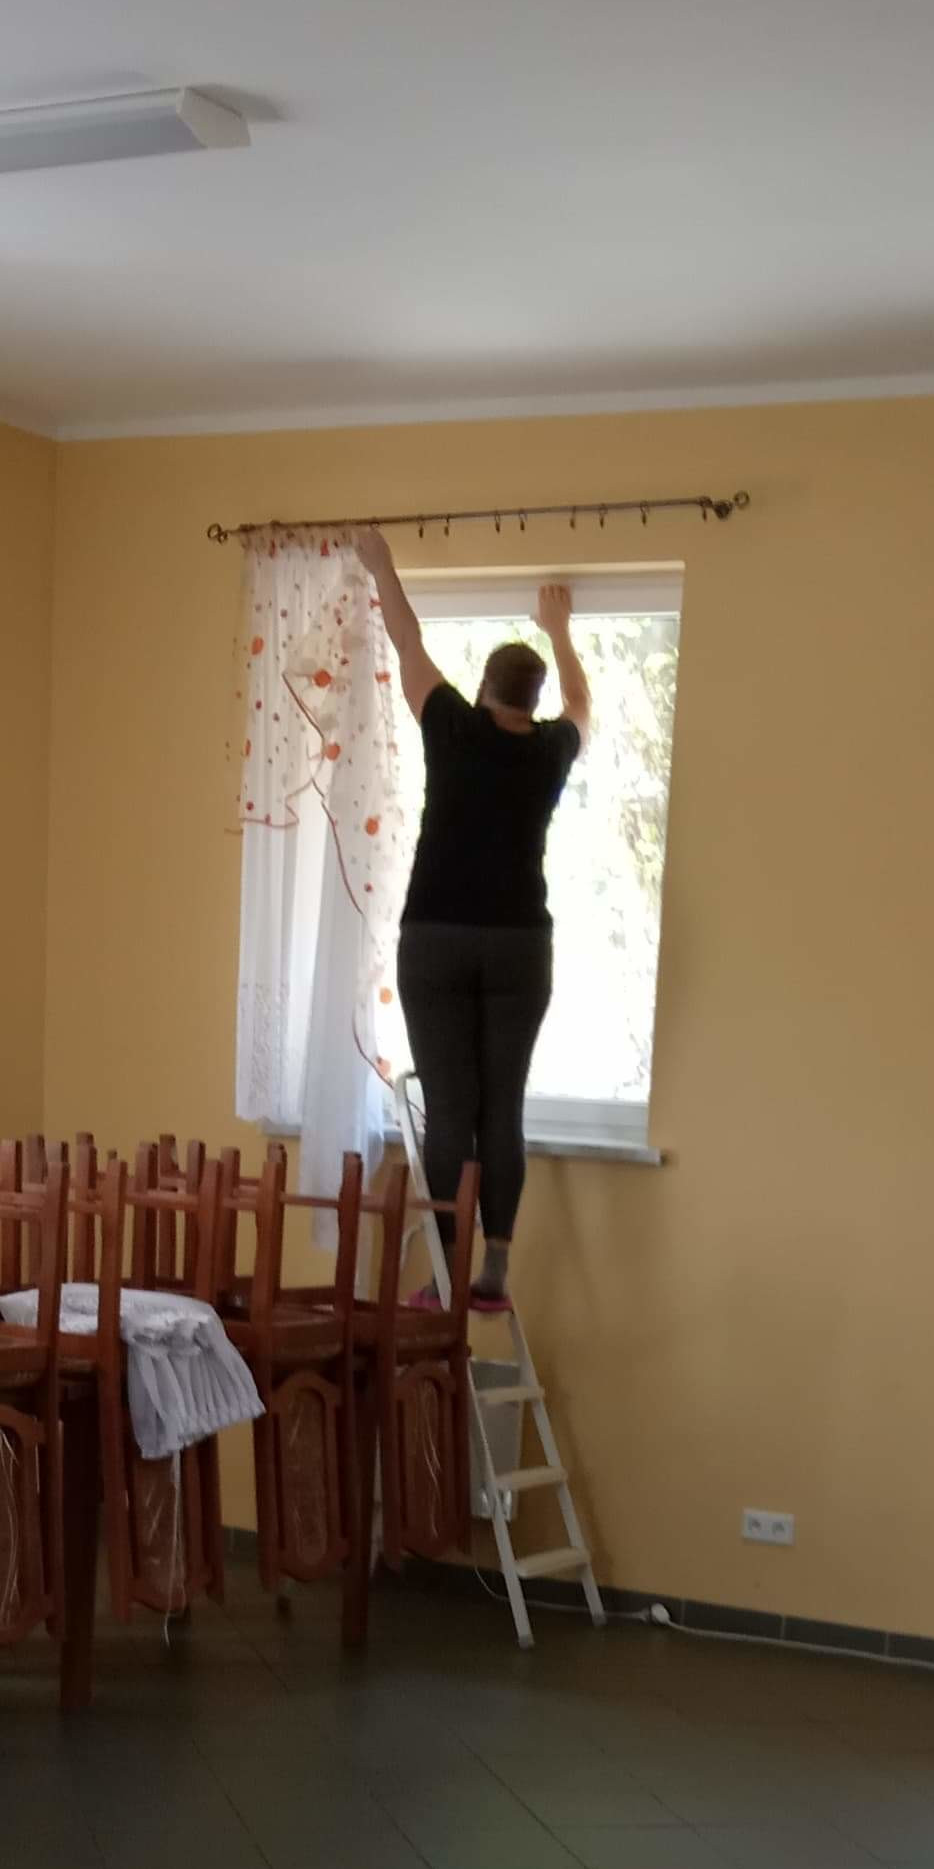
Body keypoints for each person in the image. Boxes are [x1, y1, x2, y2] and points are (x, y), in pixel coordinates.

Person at [354, 524, 587, 1311]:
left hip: (437, 940)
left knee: (451, 1112)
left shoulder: (451, 727)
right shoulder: (550, 751)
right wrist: (560, 629)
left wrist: (381, 564)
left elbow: (406, 639)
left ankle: (449, 1278)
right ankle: (493, 1268)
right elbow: (583, 704)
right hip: (521, 946)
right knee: (502, 1109)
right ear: (533, 700)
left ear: (485, 687)